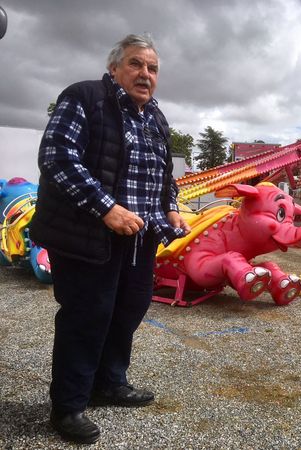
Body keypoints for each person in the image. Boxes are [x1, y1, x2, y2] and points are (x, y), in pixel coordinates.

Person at [30, 33, 191, 445]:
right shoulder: (85, 98)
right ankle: (68, 406)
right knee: (86, 318)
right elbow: (57, 156)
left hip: (140, 239)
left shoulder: (155, 118)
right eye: (136, 64)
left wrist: (170, 205)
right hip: (89, 233)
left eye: (152, 68)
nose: (145, 74)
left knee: (127, 313)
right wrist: (106, 208)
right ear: (114, 68)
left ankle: (110, 383)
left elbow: (163, 175)